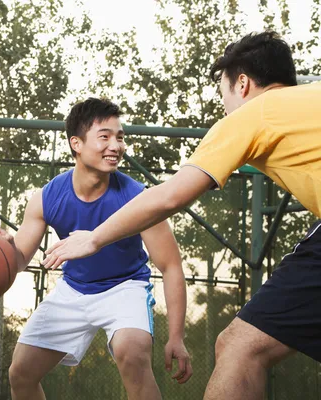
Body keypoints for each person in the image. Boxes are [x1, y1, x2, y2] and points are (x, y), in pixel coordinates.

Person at [42, 31, 321, 400]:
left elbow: (171, 196)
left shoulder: (256, 112)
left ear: (243, 83)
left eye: (224, 95)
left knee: (240, 348)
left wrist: (93, 237)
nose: (225, 108)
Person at [0, 97, 192, 400]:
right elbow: (19, 258)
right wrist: (0, 244)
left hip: (124, 288)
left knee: (132, 354)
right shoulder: (47, 198)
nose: (116, 146)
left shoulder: (138, 198)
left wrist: (177, 337)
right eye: (105, 136)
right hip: (73, 291)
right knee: (20, 373)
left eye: (120, 137)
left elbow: (170, 266)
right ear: (76, 143)